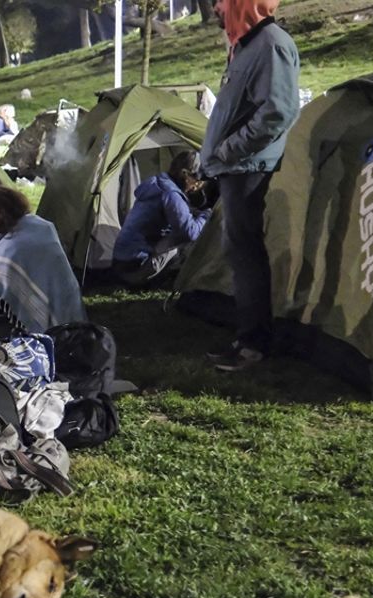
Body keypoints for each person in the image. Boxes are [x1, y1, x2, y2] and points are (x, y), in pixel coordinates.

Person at [201, 0, 300, 372]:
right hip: (233, 166)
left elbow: (278, 111)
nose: (216, 9)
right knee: (239, 252)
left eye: (222, 3)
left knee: (246, 254)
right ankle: (247, 337)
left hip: (248, 166)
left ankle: (253, 345)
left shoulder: (272, 44)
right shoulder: (244, 47)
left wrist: (228, 150)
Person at [0, 186, 86, 339]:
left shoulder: (11, 245)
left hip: (47, 316)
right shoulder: (39, 225)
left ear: (3, 213)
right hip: (68, 303)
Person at [112, 150, 213, 287]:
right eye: (197, 179)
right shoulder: (171, 194)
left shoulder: (158, 183)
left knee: (181, 229)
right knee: (188, 236)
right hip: (136, 269)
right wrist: (206, 216)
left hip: (121, 265)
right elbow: (190, 232)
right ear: (185, 174)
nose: (198, 185)